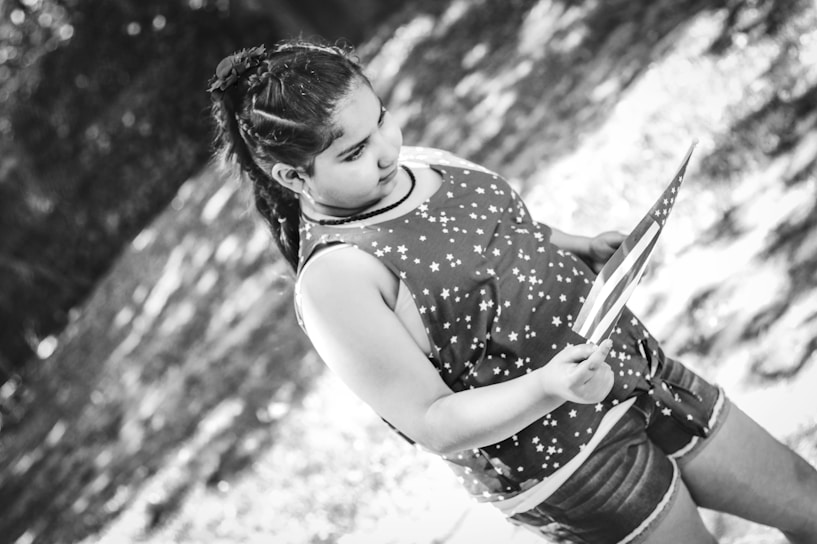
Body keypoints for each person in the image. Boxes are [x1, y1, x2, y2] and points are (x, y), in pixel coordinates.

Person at [207, 39, 817, 544]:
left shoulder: (417, 162)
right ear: (292, 175)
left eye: (382, 120)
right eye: (356, 151)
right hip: (570, 464)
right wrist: (547, 386)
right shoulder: (335, 280)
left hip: (634, 370)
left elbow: (502, 232)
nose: (388, 149)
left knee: (803, 498)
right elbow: (433, 421)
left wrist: (578, 245)